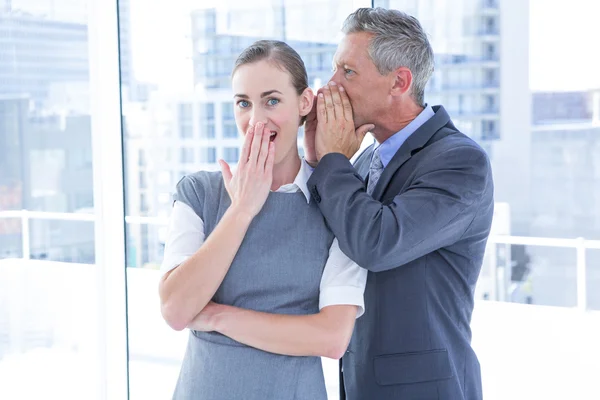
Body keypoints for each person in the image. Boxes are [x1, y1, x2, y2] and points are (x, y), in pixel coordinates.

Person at [158, 40, 367, 400]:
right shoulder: (199, 192)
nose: (256, 120)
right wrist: (241, 209)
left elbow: (331, 338)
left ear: (304, 103)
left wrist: (216, 317)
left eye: (272, 101)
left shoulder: (337, 202)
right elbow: (176, 310)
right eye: (244, 103)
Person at [303, 8, 494, 400]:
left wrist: (332, 163)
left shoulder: (459, 162)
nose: (330, 85)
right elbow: (322, 247)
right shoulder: (361, 160)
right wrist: (313, 163)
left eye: (348, 72)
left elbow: (376, 242)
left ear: (399, 81)